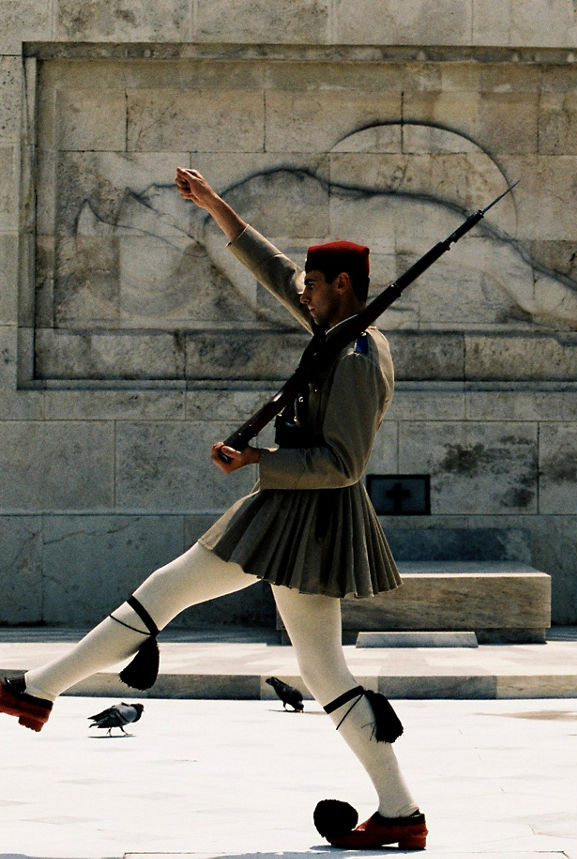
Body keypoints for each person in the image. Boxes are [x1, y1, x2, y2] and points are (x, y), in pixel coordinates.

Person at [0, 167, 427, 851]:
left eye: (315, 286)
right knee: (323, 673)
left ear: (342, 287)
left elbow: (344, 464)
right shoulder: (333, 330)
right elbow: (278, 271)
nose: (303, 293)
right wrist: (216, 207)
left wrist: (256, 461)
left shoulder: (353, 355)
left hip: (304, 514)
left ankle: (38, 689)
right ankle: (401, 810)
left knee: (166, 592)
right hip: (295, 514)